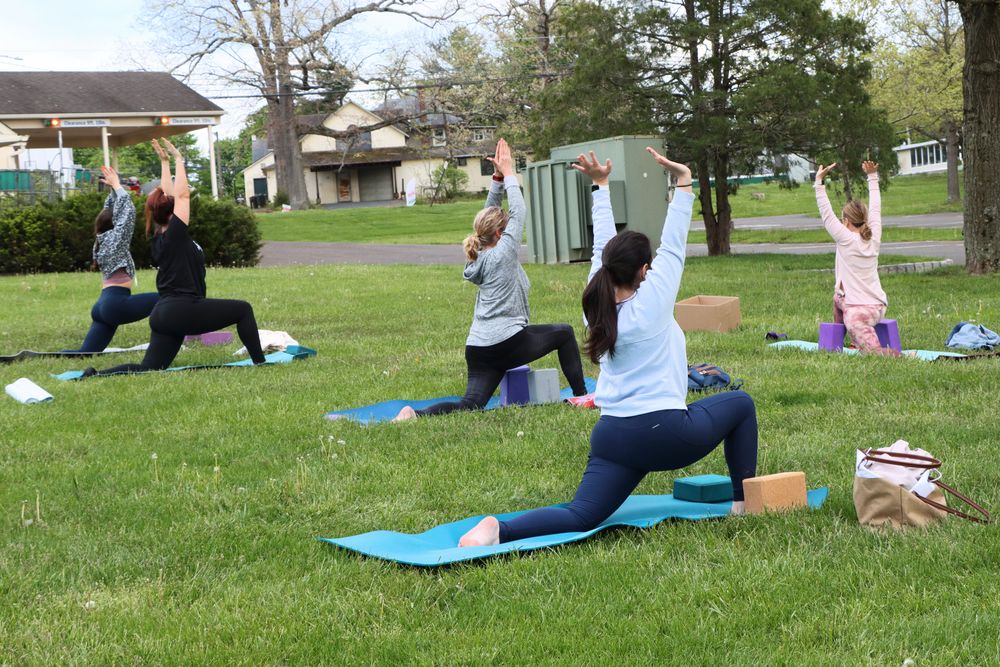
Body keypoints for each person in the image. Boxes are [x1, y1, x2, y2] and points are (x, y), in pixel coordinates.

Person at [458, 148, 759, 547]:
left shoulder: (593, 304)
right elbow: (674, 243)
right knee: (740, 404)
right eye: (648, 266)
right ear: (642, 271)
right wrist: (683, 182)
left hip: (613, 436)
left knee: (580, 515)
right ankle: (743, 505)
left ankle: (499, 529)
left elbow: (605, 245)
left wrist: (600, 186)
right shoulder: (653, 301)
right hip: (666, 435)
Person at [394, 138, 588, 419]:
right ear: (500, 235)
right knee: (564, 333)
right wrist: (510, 173)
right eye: (506, 228)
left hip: (478, 347)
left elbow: (489, 216)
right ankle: (582, 397)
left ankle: (415, 414)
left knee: (470, 404)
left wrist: (496, 180)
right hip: (506, 342)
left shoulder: (479, 252)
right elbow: (519, 212)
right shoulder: (503, 253)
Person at [83, 139, 265, 376]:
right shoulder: (175, 235)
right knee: (243, 309)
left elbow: (169, 195)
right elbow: (182, 196)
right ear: (172, 213)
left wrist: (165, 162)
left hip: (164, 313)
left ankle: (96, 374)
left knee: (149, 368)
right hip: (182, 309)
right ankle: (261, 363)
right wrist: (179, 160)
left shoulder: (162, 233)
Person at [65, 165, 158, 353]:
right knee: (170, 298)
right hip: (116, 304)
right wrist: (117, 186)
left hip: (102, 308)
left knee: (85, 354)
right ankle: (183, 332)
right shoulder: (116, 240)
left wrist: (112, 188)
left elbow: (110, 212)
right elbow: (128, 214)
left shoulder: (101, 239)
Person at [814, 161, 895, 355]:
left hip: (860, 313)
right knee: (837, 298)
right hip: (878, 306)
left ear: (846, 221)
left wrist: (819, 182)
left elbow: (826, 214)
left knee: (871, 351)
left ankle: (895, 355)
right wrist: (872, 176)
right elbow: (876, 208)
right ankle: (842, 342)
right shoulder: (873, 235)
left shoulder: (845, 238)